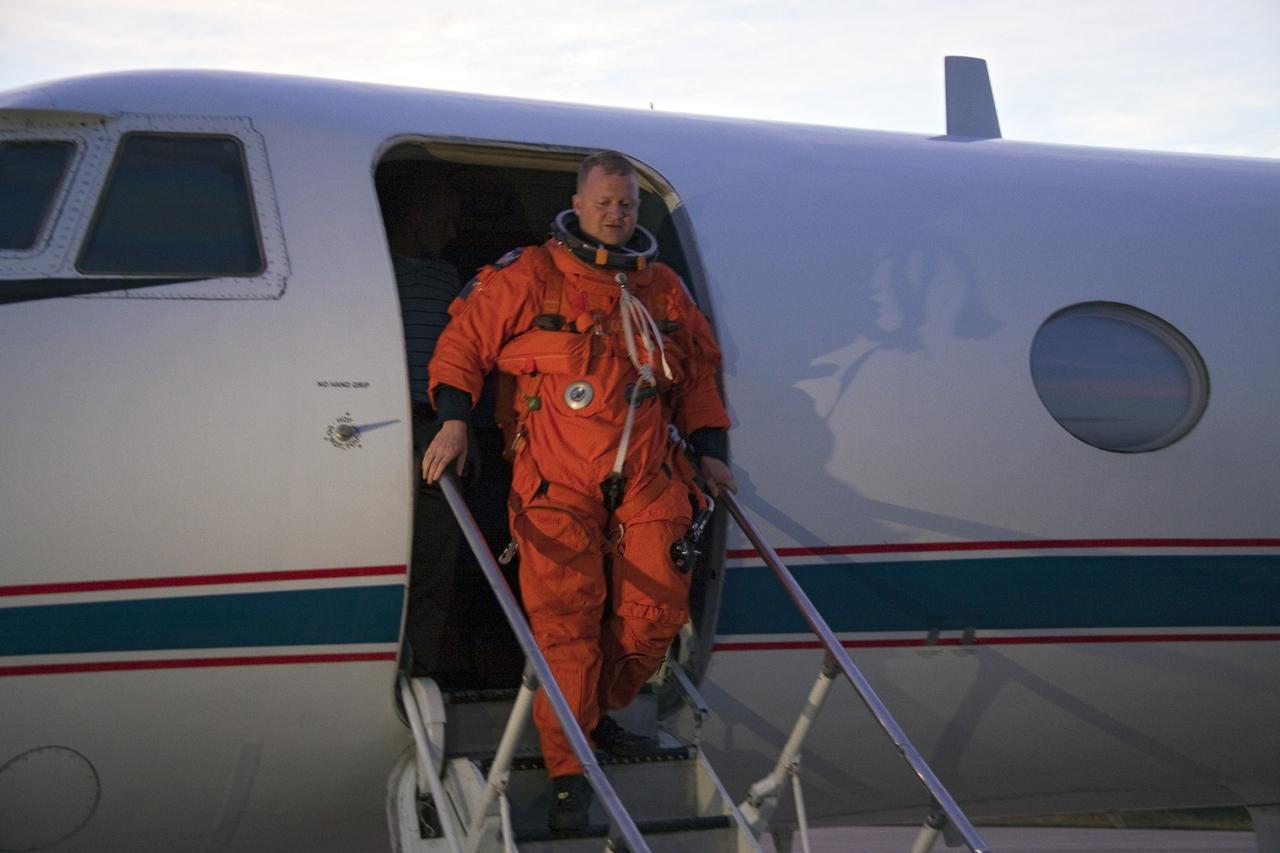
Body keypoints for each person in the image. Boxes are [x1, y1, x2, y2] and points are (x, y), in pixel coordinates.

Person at [422, 150, 735, 832]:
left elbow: (699, 376)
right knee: (566, 629)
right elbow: (463, 344)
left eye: (626, 204)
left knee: (653, 616)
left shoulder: (662, 292)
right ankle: (571, 771)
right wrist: (453, 421)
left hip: (648, 478)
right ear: (579, 202)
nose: (616, 214)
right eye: (605, 203)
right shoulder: (531, 276)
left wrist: (710, 452)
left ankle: (593, 714)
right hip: (558, 482)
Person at [376, 165, 466, 677]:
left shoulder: (446, 278)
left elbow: (457, 359)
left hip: (433, 424)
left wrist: (459, 425)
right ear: (415, 216)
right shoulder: (374, 272)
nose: (452, 233)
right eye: (445, 219)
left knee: (435, 560)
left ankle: (420, 670)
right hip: (382, 428)